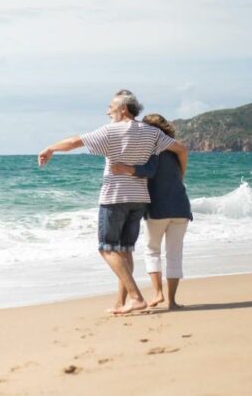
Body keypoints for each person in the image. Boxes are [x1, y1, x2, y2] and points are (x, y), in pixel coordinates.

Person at [37, 90, 180, 315]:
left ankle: (135, 297)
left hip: (115, 197)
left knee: (106, 248)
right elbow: (179, 148)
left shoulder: (111, 131)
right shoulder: (152, 133)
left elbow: (76, 142)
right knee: (124, 250)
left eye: (110, 107)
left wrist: (50, 148)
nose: (107, 111)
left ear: (123, 109)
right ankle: (121, 302)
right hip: (139, 199)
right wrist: (180, 176)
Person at [113, 114, 191, 310]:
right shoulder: (173, 150)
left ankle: (158, 294)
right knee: (175, 254)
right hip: (181, 207)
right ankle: (172, 301)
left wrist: (125, 168)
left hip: (158, 208)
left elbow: (148, 171)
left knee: (152, 251)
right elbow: (179, 165)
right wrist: (181, 175)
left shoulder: (150, 149)